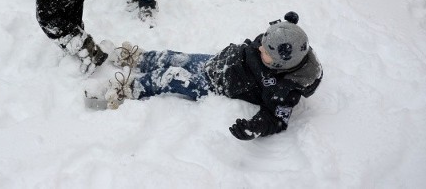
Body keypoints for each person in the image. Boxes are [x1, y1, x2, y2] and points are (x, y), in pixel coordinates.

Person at [102, 11, 323, 141]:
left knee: (171, 77)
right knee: (176, 58)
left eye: (265, 52)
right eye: (263, 44)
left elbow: (276, 119)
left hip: (217, 85)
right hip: (218, 62)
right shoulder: (281, 42)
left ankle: (130, 87)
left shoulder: (284, 89)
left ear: (281, 62)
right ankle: (138, 58)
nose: (259, 49)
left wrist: (255, 128)